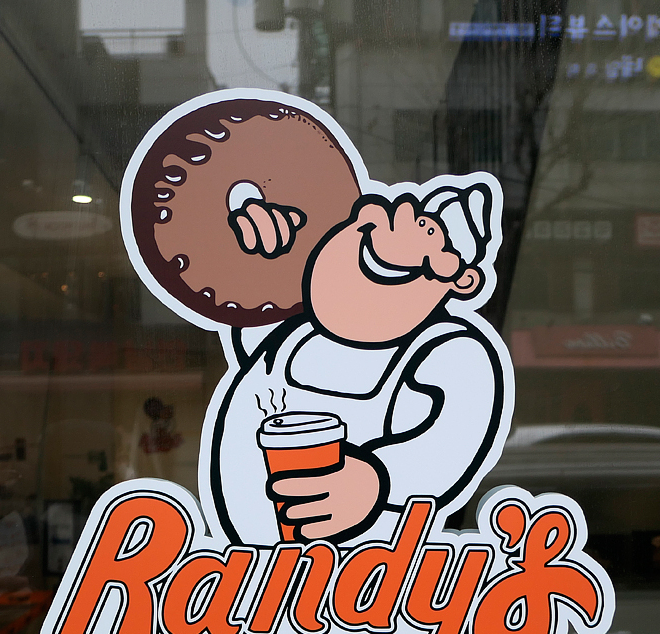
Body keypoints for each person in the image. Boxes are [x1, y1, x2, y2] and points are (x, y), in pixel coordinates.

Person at [209, 175, 510, 545]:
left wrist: (377, 479)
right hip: (257, 564)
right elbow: (230, 291)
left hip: (370, 570)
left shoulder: (450, 352)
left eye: (431, 233)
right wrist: (254, 232)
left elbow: (450, 443)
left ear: (460, 282)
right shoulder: (286, 332)